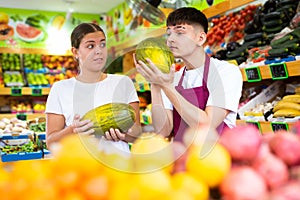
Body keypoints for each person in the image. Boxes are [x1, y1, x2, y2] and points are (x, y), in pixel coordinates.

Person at [134, 7, 243, 142]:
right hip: (185, 160)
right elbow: (163, 131)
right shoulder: (172, 78)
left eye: (179, 33)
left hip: (218, 158)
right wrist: (155, 84)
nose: (171, 40)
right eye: (169, 34)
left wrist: (166, 86)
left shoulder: (226, 72)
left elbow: (207, 125)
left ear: (200, 38)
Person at [45, 22, 141, 152]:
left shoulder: (123, 83)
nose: (99, 51)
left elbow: (137, 134)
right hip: (82, 168)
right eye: (90, 46)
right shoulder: (60, 88)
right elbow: (51, 143)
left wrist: (125, 134)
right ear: (75, 52)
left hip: (119, 167)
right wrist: (73, 130)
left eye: (102, 44)